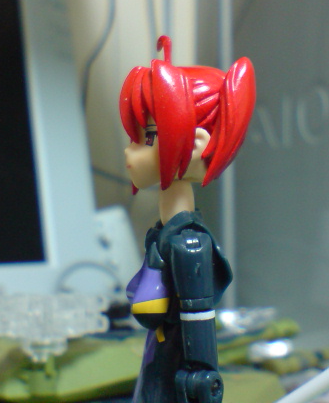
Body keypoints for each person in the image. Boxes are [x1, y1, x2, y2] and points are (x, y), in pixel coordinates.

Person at [120, 35, 256, 403]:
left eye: (148, 137)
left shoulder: (188, 244)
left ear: (197, 144)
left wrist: (197, 376)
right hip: (160, 357)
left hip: (178, 371)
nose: (130, 152)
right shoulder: (166, 234)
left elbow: (199, 319)